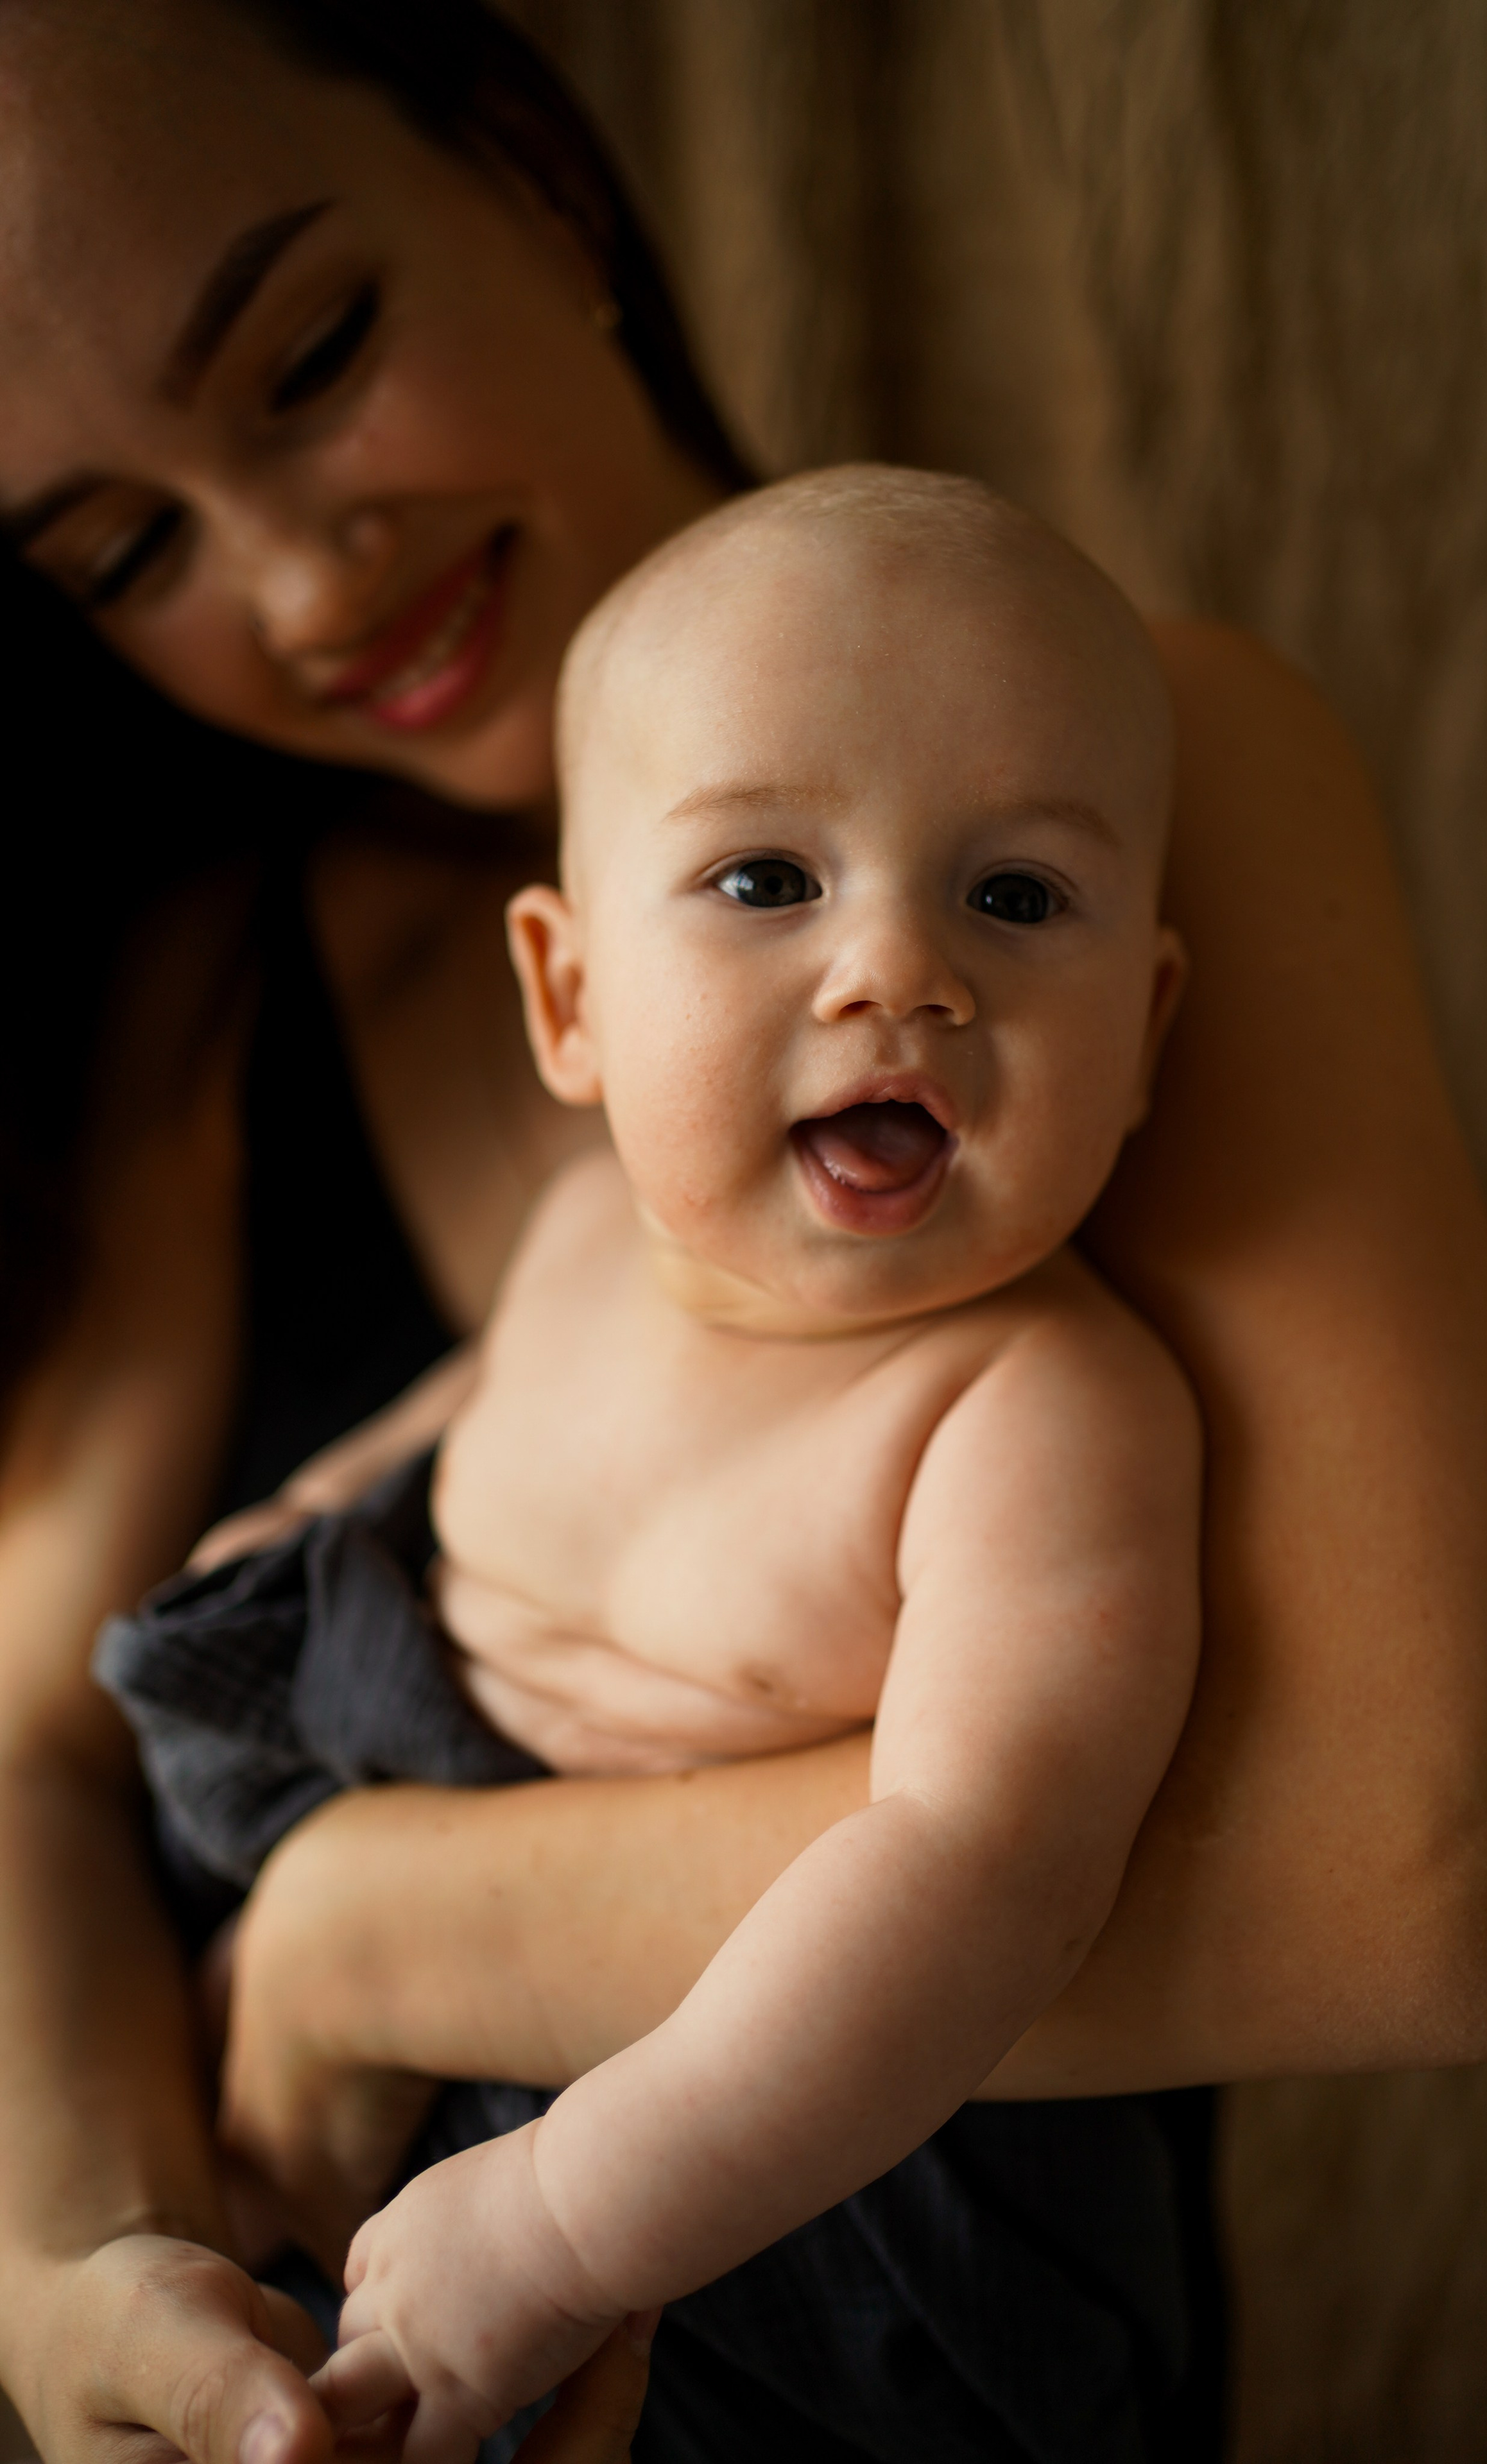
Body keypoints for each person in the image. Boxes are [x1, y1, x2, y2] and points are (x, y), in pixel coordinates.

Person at [0, 4, 1487, 2463]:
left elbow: (1418, 1883)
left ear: (532, 174)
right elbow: (33, 1748)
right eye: (124, 550)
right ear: (572, 993)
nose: (307, 580)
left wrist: (362, 1933)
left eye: (315, 351)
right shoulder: (212, 991)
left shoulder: (1133, 767)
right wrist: (69, 2276)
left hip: (814, 2280)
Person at [107, 466, 1201, 2458]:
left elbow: (988, 1870)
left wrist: (569, 2216)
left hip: (782, 2161)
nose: (903, 973)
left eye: (1016, 897)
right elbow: (479, 1402)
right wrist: (304, 1514)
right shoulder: (595, 1229)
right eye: (770, 881)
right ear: (574, 995)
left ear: (1143, 1036)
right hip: (388, 1906)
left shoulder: (1035, 1412)